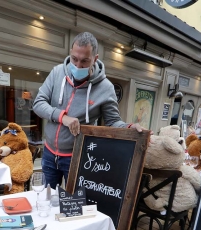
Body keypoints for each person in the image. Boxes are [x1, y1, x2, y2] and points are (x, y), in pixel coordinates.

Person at [33, 32, 149, 189]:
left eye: (84, 61)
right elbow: (38, 103)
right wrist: (63, 117)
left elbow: (113, 121)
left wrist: (130, 128)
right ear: (70, 52)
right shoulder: (57, 72)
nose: (78, 65)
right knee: (47, 200)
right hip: (49, 153)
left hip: (78, 157)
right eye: (74, 59)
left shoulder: (106, 88)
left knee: (75, 204)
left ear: (95, 59)